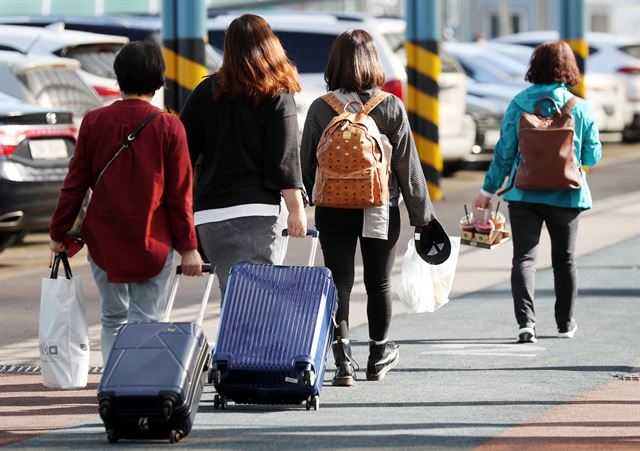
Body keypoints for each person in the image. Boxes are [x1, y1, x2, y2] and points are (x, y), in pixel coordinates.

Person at [49, 41, 203, 364]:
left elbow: (74, 185)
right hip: (153, 241)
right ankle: (137, 386)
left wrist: (58, 233)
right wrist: (188, 247)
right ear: (158, 79)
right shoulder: (169, 126)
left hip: (104, 243)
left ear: (118, 78)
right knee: (146, 318)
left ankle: (112, 382)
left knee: (112, 317)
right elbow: (179, 195)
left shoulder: (93, 122)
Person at [300, 29, 436, 386]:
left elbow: (306, 165)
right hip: (380, 206)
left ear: (334, 64)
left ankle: (343, 362)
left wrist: (311, 198)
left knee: (339, 282)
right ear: (373, 61)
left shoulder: (320, 108)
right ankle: (378, 355)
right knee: (378, 282)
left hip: (332, 208)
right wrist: (422, 217)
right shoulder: (390, 106)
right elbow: (407, 166)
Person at [474, 41, 602, 343]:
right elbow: (592, 158)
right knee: (565, 260)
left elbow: (504, 153)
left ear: (535, 67)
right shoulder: (579, 107)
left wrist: (487, 191)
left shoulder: (519, 102)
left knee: (524, 259)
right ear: (569, 68)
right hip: (568, 196)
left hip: (524, 195)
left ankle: (526, 324)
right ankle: (565, 323)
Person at [180, 14, 307, 297]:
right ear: (270, 45)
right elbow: (283, 159)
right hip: (256, 214)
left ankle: (230, 342)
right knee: (255, 300)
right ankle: (242, 343)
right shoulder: (277, 94)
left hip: (209, 216)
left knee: (236, 295)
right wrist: (297, 210)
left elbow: (182, 153)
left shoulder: (206, 91)